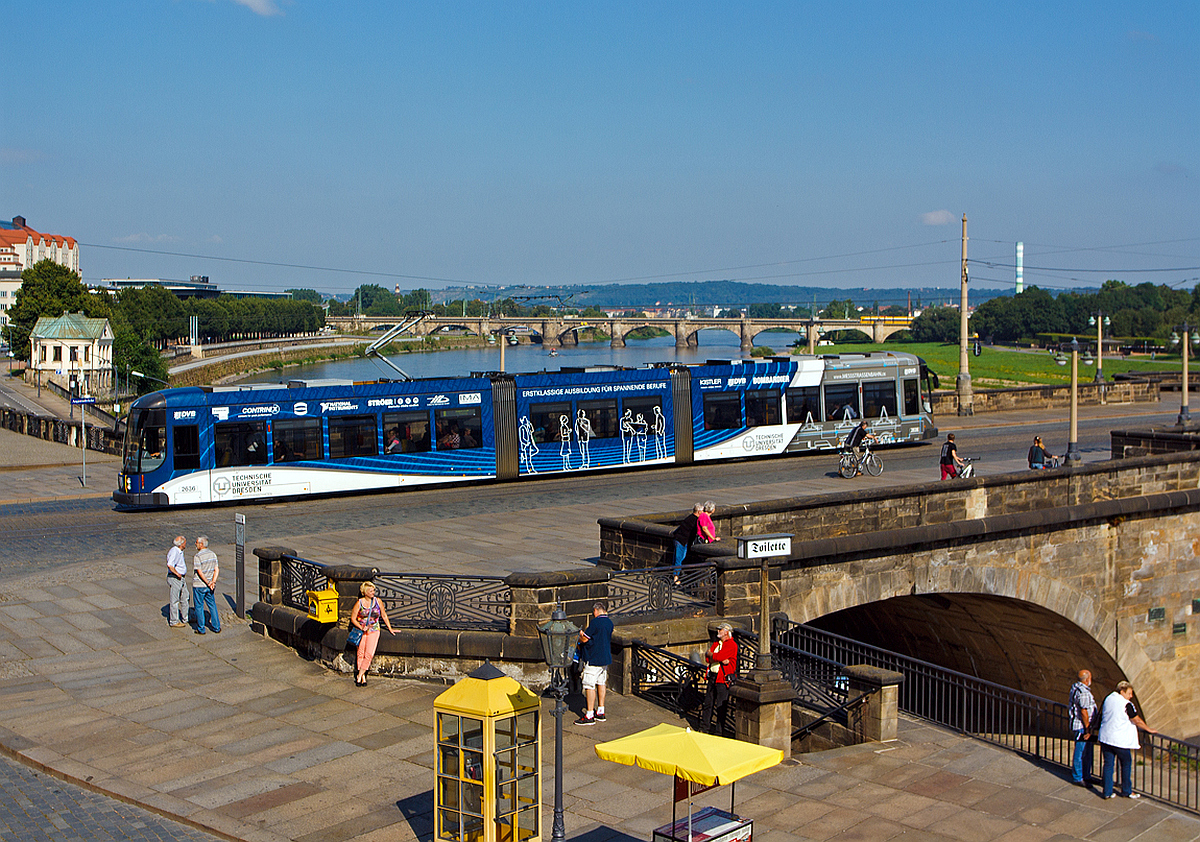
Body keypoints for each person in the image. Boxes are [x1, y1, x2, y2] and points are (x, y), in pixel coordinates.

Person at [1098, 680, 1157, 799]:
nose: (1131, 696)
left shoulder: (1109, 698)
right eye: (1129, 693)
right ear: (1122, 691)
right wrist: (1148, 729)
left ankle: (1107, 792)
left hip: (1106, 737)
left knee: (1108, 764)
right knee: (1126, 763)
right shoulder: (1126, 704)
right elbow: (1136, 720)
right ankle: (1126, 790)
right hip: (1119, 740)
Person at [575, 601, 614, 725]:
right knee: (601, 683)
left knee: (589, 685)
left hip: (594, 658)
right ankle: (601, 711)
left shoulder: (595, 622)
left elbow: (585, 638)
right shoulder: (609, 622)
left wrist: (580, 636)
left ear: (596, 611)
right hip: (605, 657)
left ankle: (589, 714)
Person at [351, 581, 395, 686]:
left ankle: (360, 675)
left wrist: (390, 628)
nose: (373, 592)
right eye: (370, 591)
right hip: (362, 631)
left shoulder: (377, 601)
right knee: (360, 653)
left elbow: (384, 615)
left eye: (373, 590)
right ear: (365, 592)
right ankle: (363, 677)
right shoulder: (359, 603)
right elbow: (353, 618)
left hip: (374, 630)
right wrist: (361, 627)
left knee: (369, 654)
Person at [701, 622, 738, 734]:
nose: (718, 632)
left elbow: (718, 656)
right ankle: (704, 728)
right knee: (708, 703)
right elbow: (708, 658)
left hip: (723, 678)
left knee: (721, 706)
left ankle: (719, 732)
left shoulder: (731, 644)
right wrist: (715, 657)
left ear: (726, 632)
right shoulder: (716, 643)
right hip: (712, 676)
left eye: (720, 630)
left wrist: (712, 655)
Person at [1069, 669, 1097, 786]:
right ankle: (1078, 777)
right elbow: (1084, 711)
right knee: (1081, 751)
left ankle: (1086, 775)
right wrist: (1087, 729)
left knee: (1088, 751)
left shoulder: (1075, 687)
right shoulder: (1084, 692)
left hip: (1083, 726)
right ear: (1087, 679)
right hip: (1084, 727)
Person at [192, 535, 220, 635]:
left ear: (201, 544)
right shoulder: (213, 554)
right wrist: (213, 581)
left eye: (196, 542)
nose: (195, 544)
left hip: (199, 585)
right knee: (212, 605)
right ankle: (217, 627)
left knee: (199, 607)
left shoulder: (197, 556)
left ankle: (201, 629)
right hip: (210, 586)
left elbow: (199, 572)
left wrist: (208, 582)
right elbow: (216, 570)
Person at [671, 504, 704, 581]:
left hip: (679, 539)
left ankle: (674, 575)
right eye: (702, 511)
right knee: (679, 559)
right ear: (699, 512)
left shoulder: (690, 518)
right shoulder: (695, 520)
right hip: (681, 541)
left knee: (678, 559)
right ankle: (675, 578)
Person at [166, 535, 189, 628]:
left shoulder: (179, 551)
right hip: (176, 578)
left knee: (185, 597)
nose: (186, 544)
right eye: (185, 542)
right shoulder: (174, 551)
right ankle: (174, 621)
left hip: (181, 578)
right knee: (175, 600)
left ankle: (185, 617)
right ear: (181, 544)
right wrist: (177, 574)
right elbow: (170, 565)